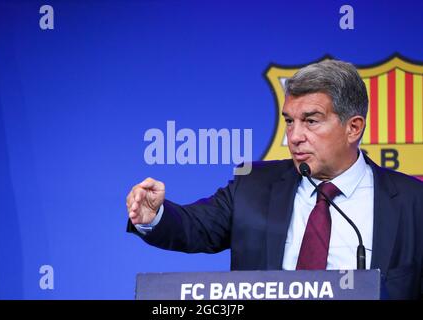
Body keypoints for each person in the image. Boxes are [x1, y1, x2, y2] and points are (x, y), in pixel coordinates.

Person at [126, 60, 423, 300]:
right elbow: (196, 227)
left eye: (311, 120)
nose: (294, 137)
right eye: (289, 121)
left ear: (353, 128)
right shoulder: (253, 184)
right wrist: (155, 216)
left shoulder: (413, 201)